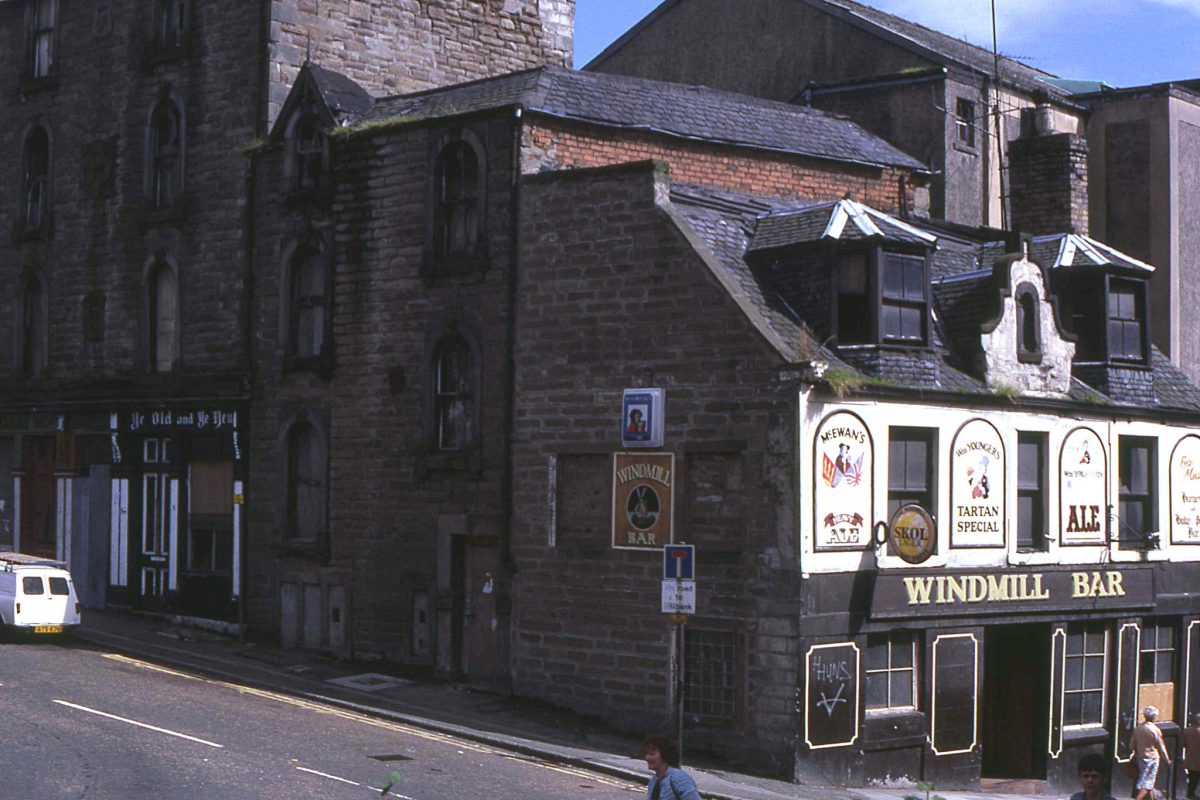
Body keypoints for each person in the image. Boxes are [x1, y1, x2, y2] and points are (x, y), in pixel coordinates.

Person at [642, 734, 700, 800]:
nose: (647, 758)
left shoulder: (679, 779)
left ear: (665, 755)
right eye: (646, 754)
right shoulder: (653, 781)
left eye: (652, 754)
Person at [1130, 706, 1171, 800]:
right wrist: (1167, 759)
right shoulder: (1155, 730)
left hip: (1140, 757)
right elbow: (1161, 746)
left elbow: (1131, 745)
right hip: (1152, 758)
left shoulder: (1138, 728)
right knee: (1148, 782)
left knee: (1145, 779)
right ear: (1154, 717)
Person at [1184, 713, 1200, 799]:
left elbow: (1184, 744)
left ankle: (1190, 795)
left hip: (1191, 759)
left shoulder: (1187, 731)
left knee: (1192, 779)